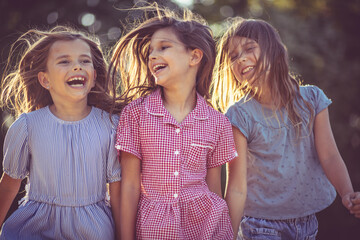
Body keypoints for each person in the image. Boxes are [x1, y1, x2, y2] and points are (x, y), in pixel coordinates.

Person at [212, 17, 360, 240]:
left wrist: (348, 193)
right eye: (233, 56)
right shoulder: (239, 114)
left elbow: (329, 156)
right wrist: (227, 235)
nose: (240, 59)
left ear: (273, 50)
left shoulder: (312, 99)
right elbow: (236, 187)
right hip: (258, 225)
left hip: (307, 222)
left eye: (249, 48)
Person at [109, 4, 239, 239]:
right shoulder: (135, 114)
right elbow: (129, 186)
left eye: (164, 47)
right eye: (150, 50)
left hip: (206, 228)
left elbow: (214, 188)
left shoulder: (218, 122)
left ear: (194, 56)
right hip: (153, 229)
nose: (152, 55)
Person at [0, 26, 121, 239]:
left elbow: (117, 189)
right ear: (45, 80)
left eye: (84, 61)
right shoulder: (28, 125)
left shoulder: (111, 125)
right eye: (64, 61)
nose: (77, 67)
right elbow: (9, 185)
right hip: (34, 227)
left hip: (93, 229)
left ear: (93, 77)